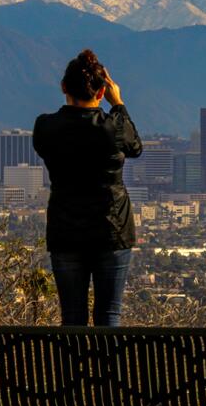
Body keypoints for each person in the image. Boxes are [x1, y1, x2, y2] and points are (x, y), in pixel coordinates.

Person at [33, 49, 143, 326]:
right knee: (109, 316)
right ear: (101, 91)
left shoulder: (46, 127)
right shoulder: (113, 127)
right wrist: (117, 103)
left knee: (72, 317)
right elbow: (135, 147)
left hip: (65, 230)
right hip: (113, 229)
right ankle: (109, 370)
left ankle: (73, 370)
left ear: (63, 88)